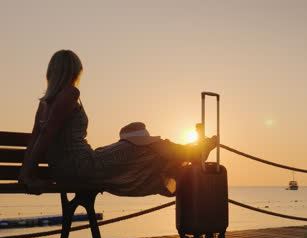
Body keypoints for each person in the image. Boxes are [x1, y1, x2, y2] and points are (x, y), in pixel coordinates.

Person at [19, 50, 217, 195]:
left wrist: (25, 172)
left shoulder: (45, 102)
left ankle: (191, 151)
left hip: (69, 167)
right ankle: (193, 151)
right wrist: (27, 176)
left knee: (139, 144)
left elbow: (36, 138)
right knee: (143, 148)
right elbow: (46, 135)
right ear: (73, 71)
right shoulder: (70, 93)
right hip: (82, 166)